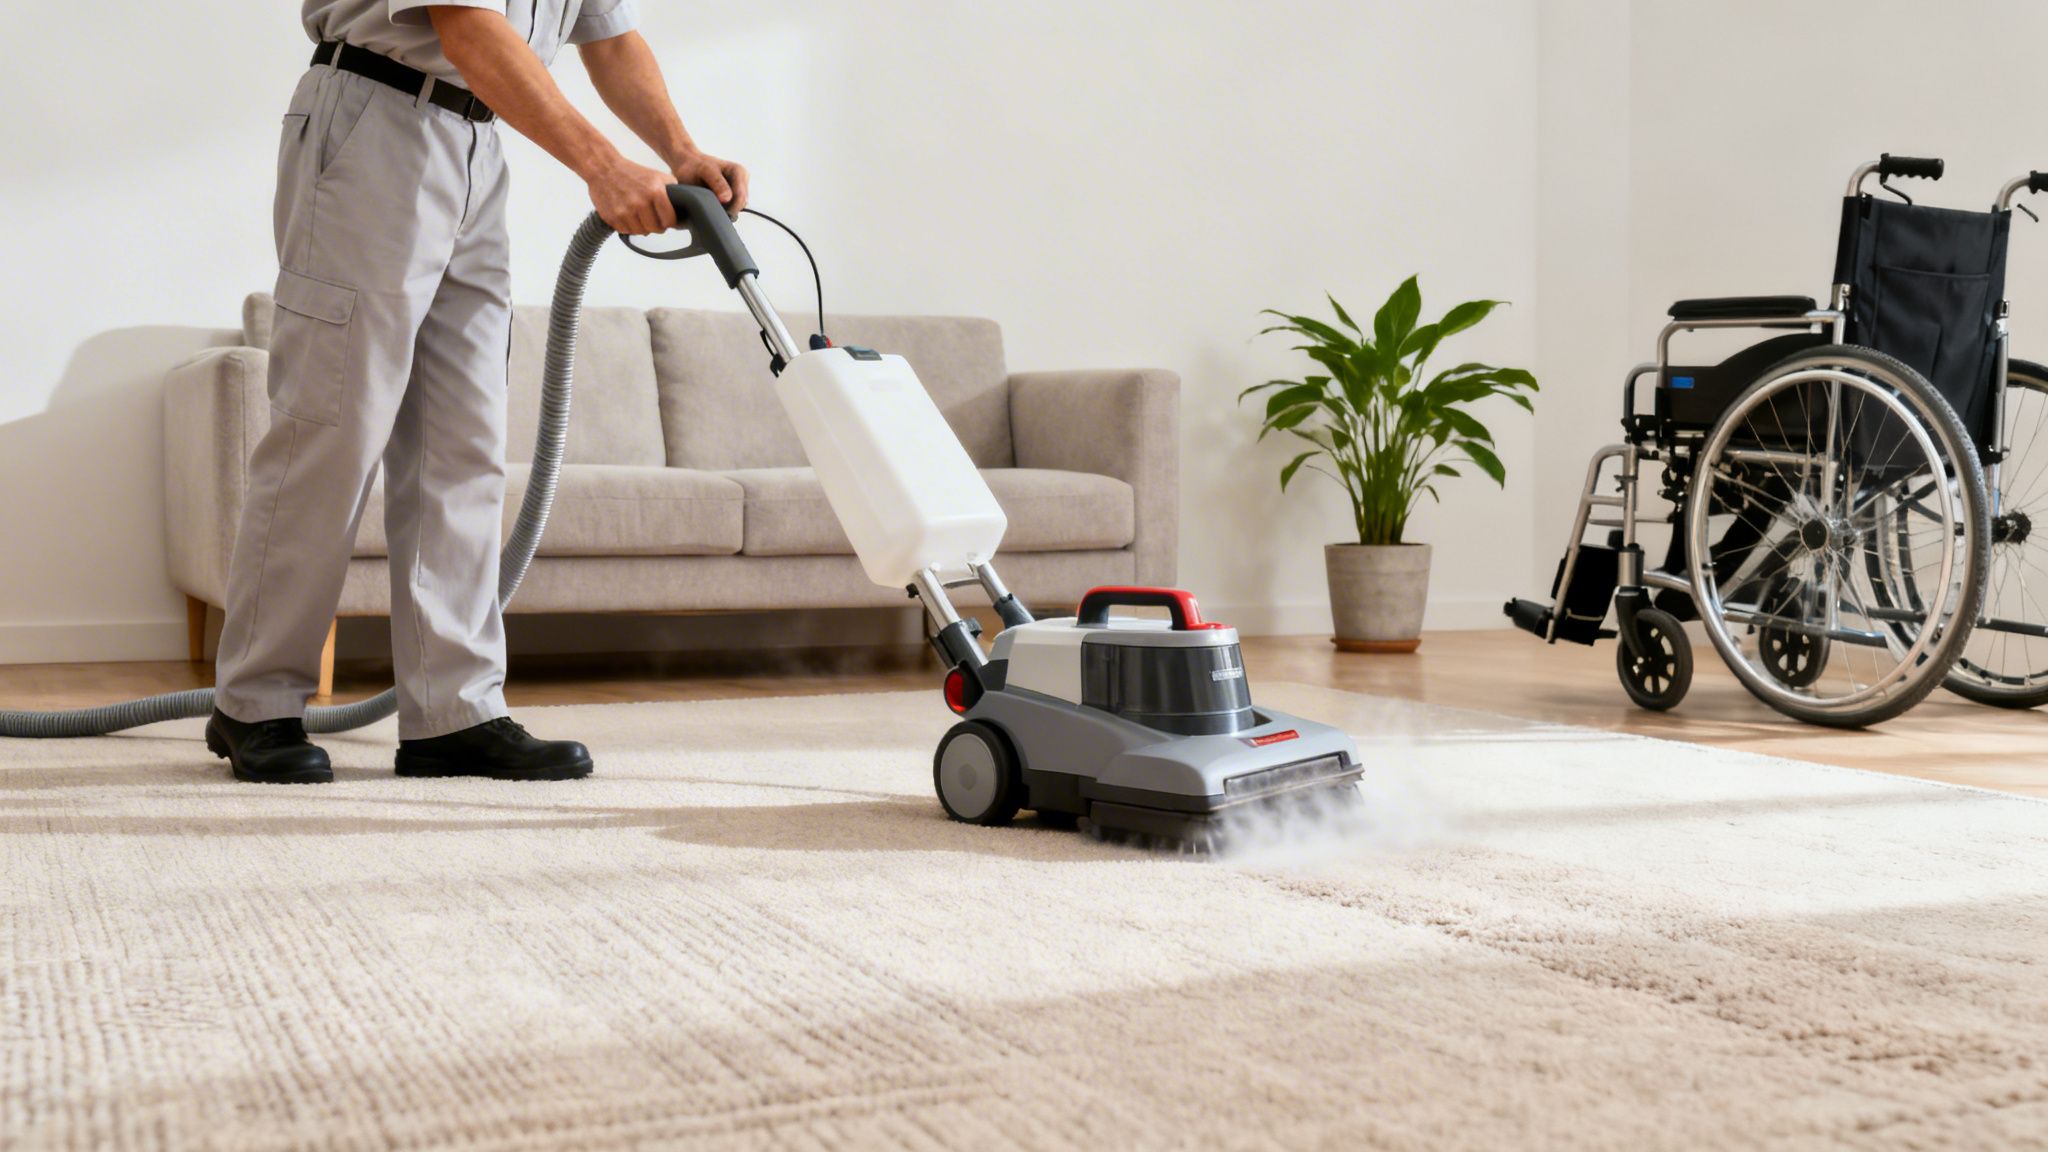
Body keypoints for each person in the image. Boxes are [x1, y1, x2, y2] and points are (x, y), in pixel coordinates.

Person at [205, 1, 748, 784]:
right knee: (332, 429)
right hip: (373, 121)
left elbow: (612, 38)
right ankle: (255, 701)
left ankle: (453, 712)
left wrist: (681, 151)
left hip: (478, 142)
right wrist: (601, 165)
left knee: (464, 442)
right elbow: (465, 23)